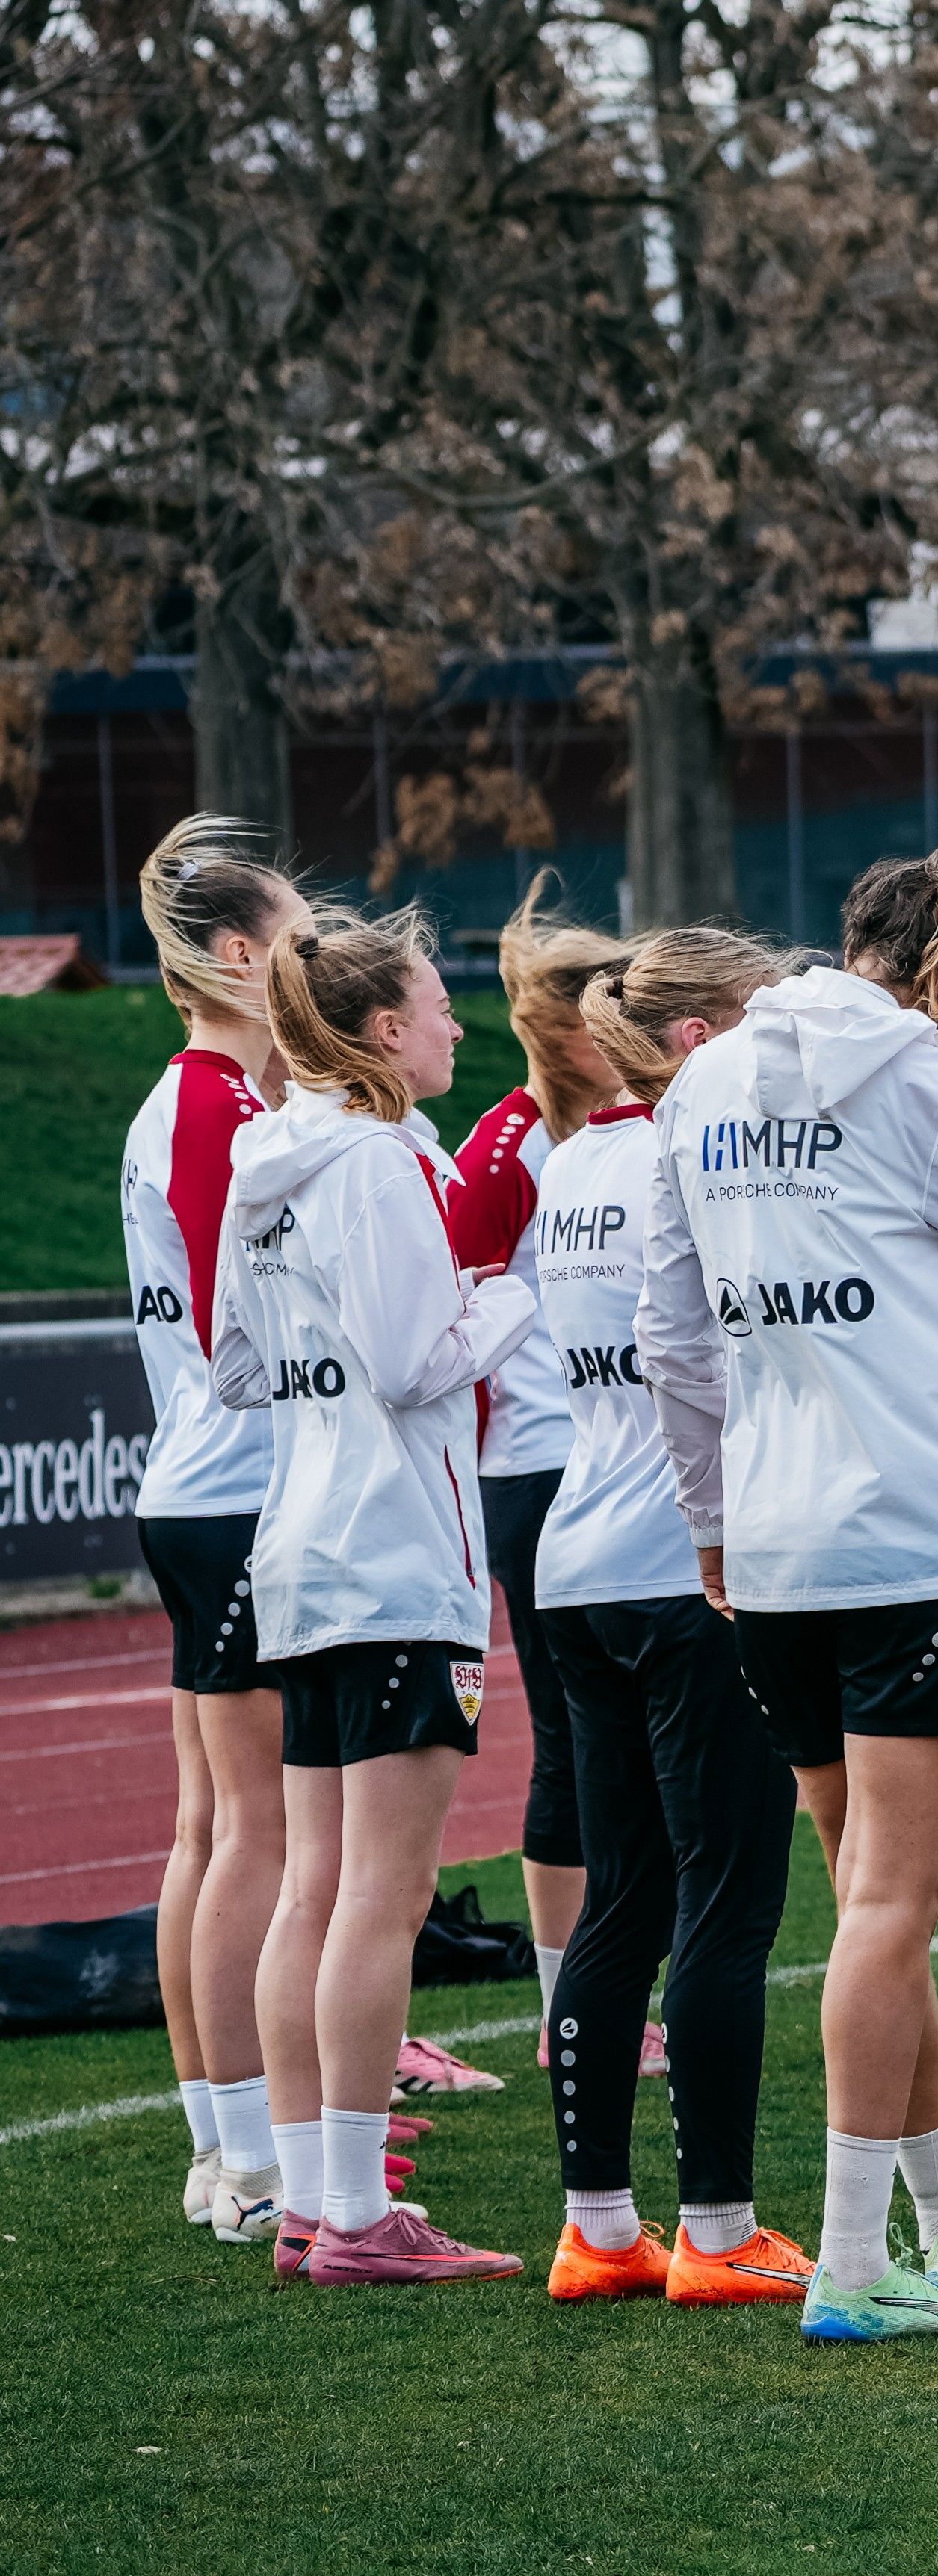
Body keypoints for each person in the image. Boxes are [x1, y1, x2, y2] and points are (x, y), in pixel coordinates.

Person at [639, 828, 938, 2341]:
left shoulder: (706, 1075)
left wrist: (712, 1524)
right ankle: (855, 2264)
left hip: (778, 1546)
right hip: (915, 1531)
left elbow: (674, 1333)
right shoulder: (921, 1074)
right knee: (891, 1912)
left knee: (873, 1904)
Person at [218, 900, 540, 2284]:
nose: (457, 1021)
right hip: (395, 1551)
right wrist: (512, 1293)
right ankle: (352, 2215)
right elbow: (422, 1360)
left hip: (302, 1543)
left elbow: (232, 1365)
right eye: (436, 1000)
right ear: (376, 1031)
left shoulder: (264, 1161)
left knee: (315, 1887)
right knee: (381, 1894)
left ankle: (309, 2196)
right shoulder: (371, 1162)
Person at [528, 924, 824, 2306]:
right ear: (707, 1026)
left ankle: (597, 2226)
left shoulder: (574, 1156)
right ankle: (715, 2230)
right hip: (688, 1566)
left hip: (576, 1561)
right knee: (728, 1898)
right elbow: (699, 1350)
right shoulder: (701, 1153)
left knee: (620, 1900)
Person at [123, 821, 297, 2240]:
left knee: (218, 1824)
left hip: (209, 1485)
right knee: (252, 1830)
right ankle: (243, 2158)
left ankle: (220, 2141)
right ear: (239, 955)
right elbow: (231, 1328)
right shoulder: (210, 1107)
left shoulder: (222, 1094)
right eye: (296, 938)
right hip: (237, 1486)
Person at [445, 888, 635, 2075]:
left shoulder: (638, 1126)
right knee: (573, 1742)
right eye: (608, 1005)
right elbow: (455, 1313)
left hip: (633, 1465)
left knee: (646, 1744)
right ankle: (578, 2006)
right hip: (541, 1472)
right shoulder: (510, 1143)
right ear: (560, 1025)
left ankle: (620, 1985)